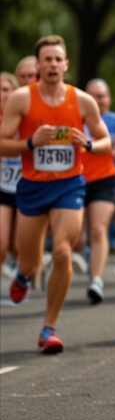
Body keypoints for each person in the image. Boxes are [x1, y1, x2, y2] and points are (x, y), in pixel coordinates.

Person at [0, 35, 111, 353]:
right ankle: (23, 275)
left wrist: (88, 144)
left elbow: (105, 142)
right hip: (33, 187)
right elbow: (2, 142)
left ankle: (49, 327)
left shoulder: (82, 101)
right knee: (30, 260)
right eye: (46, 59)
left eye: (57, 59)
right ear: (38, 65)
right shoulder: (21, 99)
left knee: (62, 251)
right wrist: (31, 143)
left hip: (69, 185)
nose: (51, 64)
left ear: (66, 64)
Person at [82, 79, 115, 303]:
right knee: (74, 235)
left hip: (106, 179)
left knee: (98, 229)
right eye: (93, 95)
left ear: (109, 98)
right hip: (74, 180)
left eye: (102, 96)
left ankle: (96, 280)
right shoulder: (76, 118)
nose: (98, 100)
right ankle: (82, 256)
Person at [0, 72, 20, 275]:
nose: (1, 94)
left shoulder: (25, 116)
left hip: (26, 185)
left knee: (19, 244)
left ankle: (28, 278)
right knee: (1, 242)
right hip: (3, 186)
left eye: (5, 89)